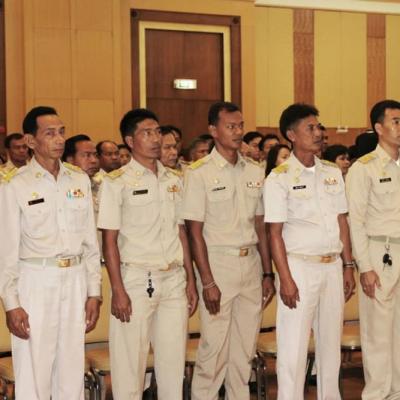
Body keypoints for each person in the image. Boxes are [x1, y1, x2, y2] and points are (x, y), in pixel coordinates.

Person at [0, 106, 101, 399]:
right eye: (50, 133)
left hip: (75, 279)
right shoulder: (15, 184)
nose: (59, 139)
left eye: (61, 132)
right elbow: (6, 250)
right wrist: (11, 303)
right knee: (35, 372)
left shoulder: (78, 179)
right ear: (31, 141)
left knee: (71, 370)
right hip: (36, 281)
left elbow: (90, 242)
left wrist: (94, 291)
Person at [97, 108, 198, 400]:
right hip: (136, 279)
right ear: (130, 141)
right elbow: (109, 241)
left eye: (158, 131)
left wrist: (191, 279)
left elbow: (181, 232)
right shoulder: (116, 182)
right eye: (147, 133)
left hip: (174, 278)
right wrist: (118, 289)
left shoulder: (173, 178)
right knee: (130, 365)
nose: (156, 139)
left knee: (172, 365)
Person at [182, 101, 275, 400]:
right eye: (230, 126)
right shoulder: (199, 173)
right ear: (213, 130)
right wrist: (207, 280)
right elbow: (194, 232)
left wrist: (267, 273)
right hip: (218, 265)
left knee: (244, 349)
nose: (238, 132)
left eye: (240, 126)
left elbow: (260, 225)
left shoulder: (254, 169)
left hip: (251, 263)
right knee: (214, 348)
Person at [264, 103, 355, 400]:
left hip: (332, 266)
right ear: (291, 135)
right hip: (299, 268)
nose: (318, 133)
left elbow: (342, 221)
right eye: (310, 128)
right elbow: (274, 234)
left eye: (319, 127)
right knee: (293, 349)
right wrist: (286, 279)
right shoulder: (279, 178)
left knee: (330, 347)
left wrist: (348, 265)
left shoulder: (331, 171)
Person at [346, 99, 400, 400]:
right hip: (380, 253)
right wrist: (365, 266)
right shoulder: (364, 168)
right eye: (396, 121)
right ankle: (377, 394)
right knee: (378, 333)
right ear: (379, 128)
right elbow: (355, 221)